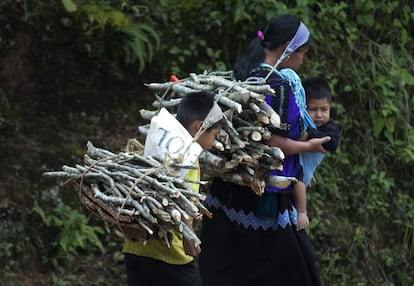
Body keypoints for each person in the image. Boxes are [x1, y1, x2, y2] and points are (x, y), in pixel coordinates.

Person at [199, 15, 330, 286]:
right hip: (265, 197)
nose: (303, 60)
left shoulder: (246, 73)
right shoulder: (278, 85)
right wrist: (308, 147)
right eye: (302, 53)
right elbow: (273, 142)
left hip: (230, 190)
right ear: (287, 49)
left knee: (233, 268)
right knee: (290, 271)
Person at [123, 91, 225, 286]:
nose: (213, 143)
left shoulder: (160, 141)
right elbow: (179, 198)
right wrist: (189, 235)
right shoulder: (187, 158)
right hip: (168, 254)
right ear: (198, 127)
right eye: (214, 135)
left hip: (135, 247)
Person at [292, 76, 341, 230]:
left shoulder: (329, 127)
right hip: (297, 161)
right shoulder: (300, 120)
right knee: (296, 178)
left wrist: (308, 136)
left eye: (324, 109)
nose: (319, 115)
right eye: (312, 109)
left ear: (330, 107)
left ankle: (302, 212)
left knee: (298, 180)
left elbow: (331, 143)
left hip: (303, 167)